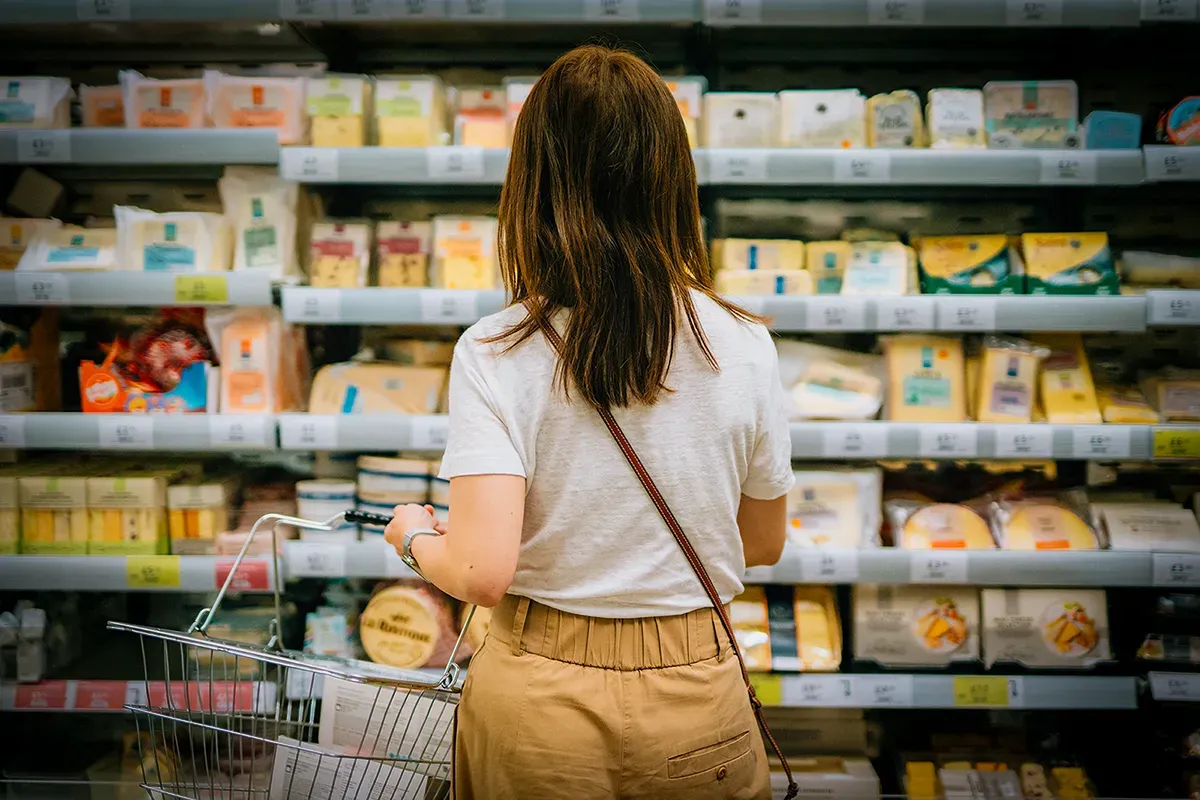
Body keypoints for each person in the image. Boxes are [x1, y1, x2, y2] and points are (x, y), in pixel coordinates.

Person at [384, 44, 793, 800]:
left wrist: (410, 530)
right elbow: (762, 542)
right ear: (672, 174)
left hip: (541, 700)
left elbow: (479, 570)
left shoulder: (497, 349)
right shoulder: (744, 343)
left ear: (533, 181)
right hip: (696, 691)